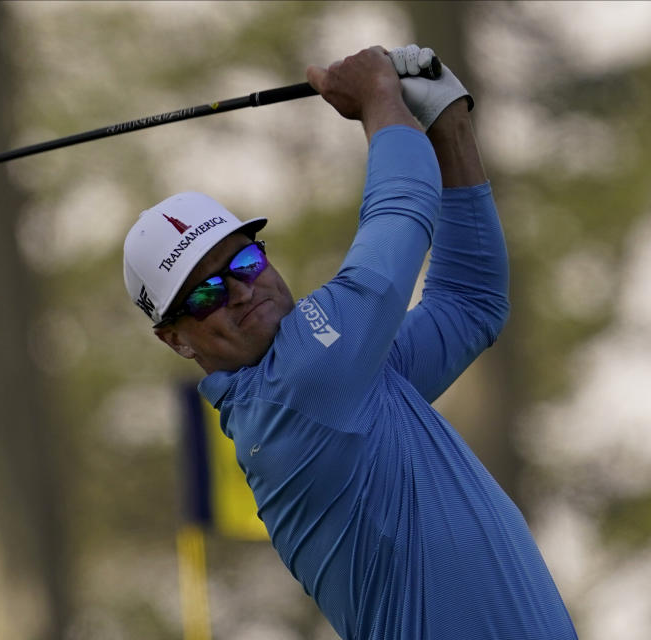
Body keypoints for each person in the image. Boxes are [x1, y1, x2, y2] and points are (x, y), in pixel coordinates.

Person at [122, 45, 578, 639]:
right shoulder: (301, 388)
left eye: (247, 259)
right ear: (175, 340)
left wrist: (449, 127)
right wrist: (378, 99)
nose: (239, 290)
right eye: (205, 293)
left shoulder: (349, 382)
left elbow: (470, 303)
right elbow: (400, 210)